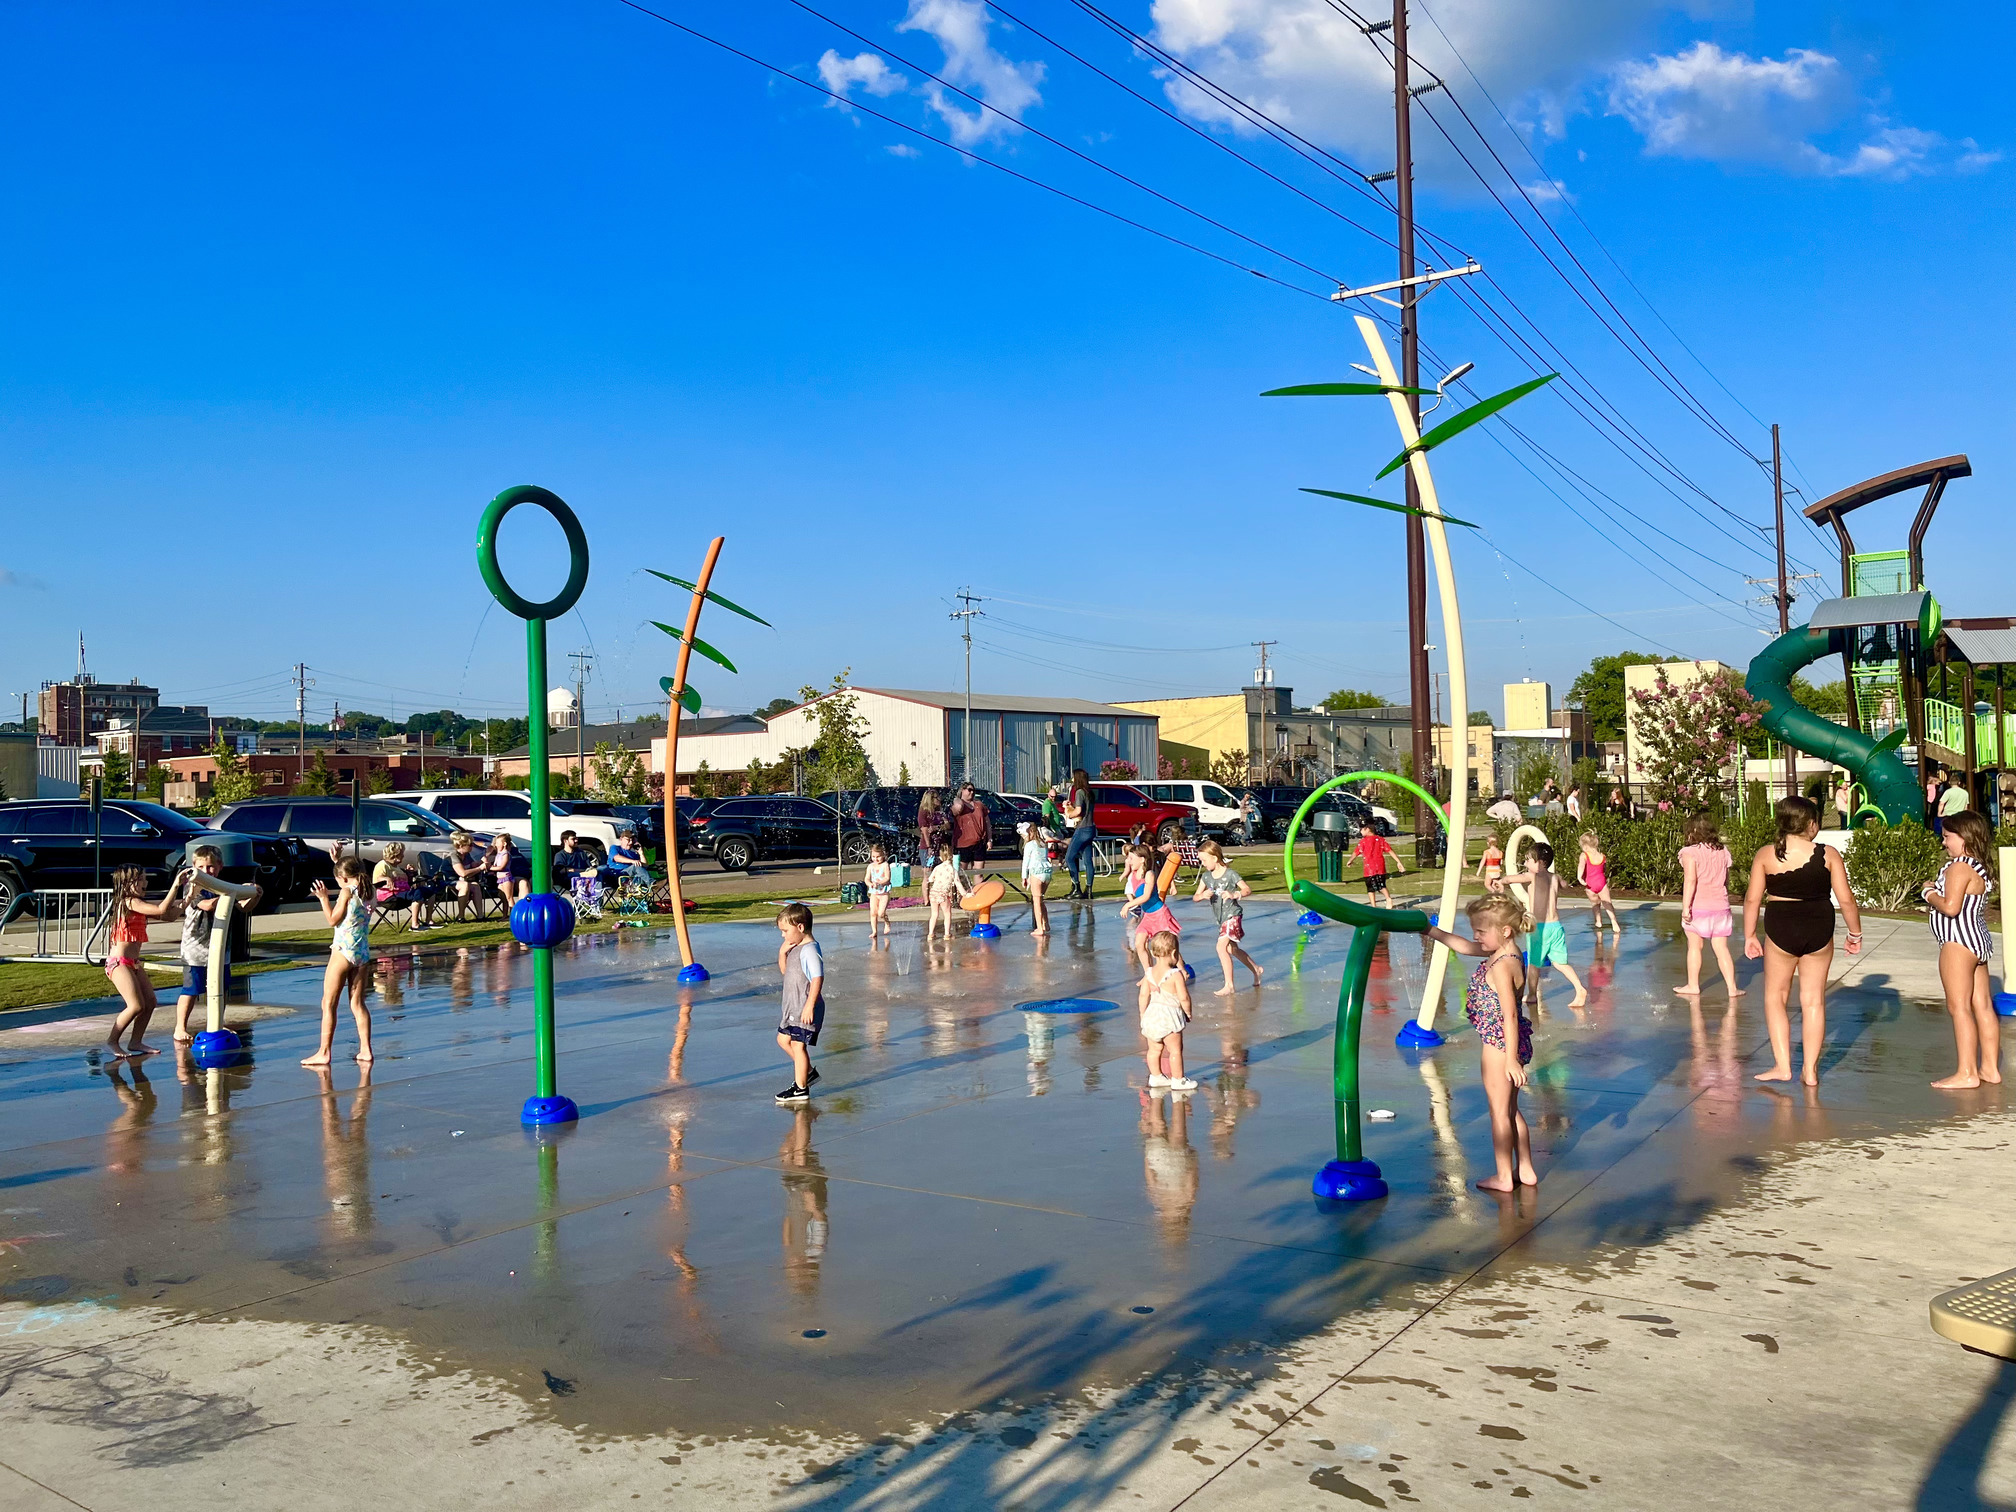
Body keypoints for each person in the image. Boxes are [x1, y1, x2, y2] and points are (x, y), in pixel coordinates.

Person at [1742, 795, 1862, 1085]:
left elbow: (1752, 899)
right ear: (1811, 824)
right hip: (1818, 926)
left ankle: (1783, 1066)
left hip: (1781, 926)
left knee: (1775, 997)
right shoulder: (1829, 854)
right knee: (1813, 1002)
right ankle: (1809, 1071)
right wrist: (1854, 933)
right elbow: (1846, 899)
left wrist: (1749, 936)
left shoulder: (1766, 855)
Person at [1427, 894, 1536, 1191]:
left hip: (1500, 1047)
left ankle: (1503, 1177)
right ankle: (1524, 1168)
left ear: (1505, 930)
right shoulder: (1505, 954)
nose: (1476, 936)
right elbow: (1463, 946)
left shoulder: (1501, 966)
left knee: (1499, 1113)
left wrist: (1510, 1058)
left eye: (1481, 931)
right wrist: (1430, 931)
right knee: (1511, 1110)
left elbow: (1510, 1015)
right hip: (1510, 1043)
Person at [1923, 809, 1999, 1089]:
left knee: (1959, 1008)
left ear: (1964, 837)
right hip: (1978, 941)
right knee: (1983, 1006)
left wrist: (1928, 893)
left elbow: (1951, 907)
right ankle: (1989, 1068)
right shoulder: (1981, 866)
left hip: (1957, 942)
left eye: (1947, 837)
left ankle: (1966, 1072)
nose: (1944, 843)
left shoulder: (1960, 867)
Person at [101, 865, 181, 1058]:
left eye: (145, 878)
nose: (145, 883)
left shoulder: (137, 904)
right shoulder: (128, 902)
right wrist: (176, 884)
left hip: (133, 962)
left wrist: (188, 900)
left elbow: (168, 916)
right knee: (136, 1005)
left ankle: (135, 1041)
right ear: (126, 883)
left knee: (150, 1002)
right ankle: (112, 1041)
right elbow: (161, 908)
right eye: (140, 879)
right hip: (118, 963)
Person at [303, 857, 374, 1067]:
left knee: (328, 1003)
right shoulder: (369, 891)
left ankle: (324, 1052)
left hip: (343, 950)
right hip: (362, 951)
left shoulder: (346, 892)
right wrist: (337, 860)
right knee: (358, 1003)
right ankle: (365, 1050)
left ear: (342, 878)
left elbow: (333, 920)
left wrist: (324, 899)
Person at [171, 845, 239, 1043]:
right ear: (194, 867)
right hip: (196, 947)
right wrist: (230, 894)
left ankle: (217, 1022)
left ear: (220, 866)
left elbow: (244, 906)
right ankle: (180, 1027)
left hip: (220, 946)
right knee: (192, 989)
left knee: (220, 987)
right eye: (202, 867)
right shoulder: (193, 888)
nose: (207, 871)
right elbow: (207, 905)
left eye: (211, 867)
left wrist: (254, 893)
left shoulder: (224, 886)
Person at [1507, 841, 1587, 1009]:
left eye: (1529, 860)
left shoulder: (1533, 876)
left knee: (1534, 964)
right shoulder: (1555, 877)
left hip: (1540, 929)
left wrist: (1501, 880)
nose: (1526, 863)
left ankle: (1532, 994)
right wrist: (1565, 884)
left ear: (1541, 863)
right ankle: (1580, 989)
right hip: (1556, 926)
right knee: (1560, 963)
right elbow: (1565, 885)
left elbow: (1513, 879)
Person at [1676, 816, 1742, 1000]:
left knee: (1695, 947)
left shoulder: (1690, 852)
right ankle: (1732, 988)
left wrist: (1686, 908)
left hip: (1699, 907)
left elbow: (1690, 880)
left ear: (1693, 832)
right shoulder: (1723, 851)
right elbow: (1726, 880)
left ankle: (1693, 985)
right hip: (1721, 907)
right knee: (1722, 949)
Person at [1192, 839, 1261, 995]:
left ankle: (1229, 985)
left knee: (1220, 947)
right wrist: (1202, 895)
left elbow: (1247, 890)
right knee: (1232, 949)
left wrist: (1234, 894)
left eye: (1204, 860)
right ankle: (1256, 969)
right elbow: (1195, 897)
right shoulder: (1206, 877)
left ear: (1215, 858)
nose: (1202, 864)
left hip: (1232, 915)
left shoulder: (1230, 874)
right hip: (1221, 918)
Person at [773, 902, 824, 1104]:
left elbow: (817, 978)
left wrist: (810, 1005)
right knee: (783, 1040)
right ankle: (808, 1073)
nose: (783, 935)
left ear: (800, 927)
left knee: (797, 1044)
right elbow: (786, 973)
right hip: (793, 1007)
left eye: (785, 930)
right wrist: (782, 954)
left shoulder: (810, 950)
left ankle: (801, 1089)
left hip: (804, 1007)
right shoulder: (797, 947)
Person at [1137, 930, 1197, 1092]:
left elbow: (1143, 996)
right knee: (1175, 1050)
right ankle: (1178, 1080)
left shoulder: (1148, 973)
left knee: (1154, 1049)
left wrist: (1143, 1014)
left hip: (1152, 1016)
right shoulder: (1175, 975)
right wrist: (1188, 1012)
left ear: (1152, 953)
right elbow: (1184, 997)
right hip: (1169, 1018)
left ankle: (1155, 1076)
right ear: (1174, 953)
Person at [1120, 843, 1181, 959]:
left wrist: (1128, 905)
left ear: (1142, 860)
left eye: (1131, 858)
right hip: (1148, 915)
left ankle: (1182, 970)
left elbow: (1146, 896)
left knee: (1168, 948)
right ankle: (1149, 973)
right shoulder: (1133, 874)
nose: (1129, 861)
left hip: (1160, 914)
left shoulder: (1149, 874)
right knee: (1139, 944)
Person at [1062, 768, 1098, 900]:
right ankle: (1089, 889)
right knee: (1088, 860)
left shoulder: (1079, 792)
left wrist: (1068, 814)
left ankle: (1076, 887)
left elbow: (1078, 811)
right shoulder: (1089, 792)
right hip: (1091, 827)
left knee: (1069, 857)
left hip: (1082, 828)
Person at [1576, 831, 1621, 933]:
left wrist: (1580, 878)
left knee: (1595, 904)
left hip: (1590, 884)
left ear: (1586, 846)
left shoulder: (1584, 855)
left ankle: (1598, 921)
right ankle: (1614, 922)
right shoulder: (1602, 856)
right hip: (1601, 883)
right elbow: (1602, 870)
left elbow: (1581, 866)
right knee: (1608, 903)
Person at [1353, 825, 1403, 909]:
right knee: (1380, 886)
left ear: (1368, 830)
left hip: (1369, 869)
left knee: (1371, 888)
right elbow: (1390, 850)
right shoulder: (1380, 840)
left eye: (1362, 829)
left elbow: (1356, 852)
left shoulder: (1363, 841)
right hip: (1379, 867)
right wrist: (1398, 861)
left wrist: (1350, 860)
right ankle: (1384, 901)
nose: (1360, 831)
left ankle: (1377, 904)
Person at [445, 829, 492, 920]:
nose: (472, 847)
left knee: (475, 885)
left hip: (460, 881)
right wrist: (480, 868)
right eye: (470, 845)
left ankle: (480, 916)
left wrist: (486, 858)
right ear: (461, 846)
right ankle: (461, 916)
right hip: (449, 880)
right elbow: (462, 873)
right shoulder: (453, 856)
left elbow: (473, 865)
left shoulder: (466, 855)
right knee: (465, 885)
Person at [1017, 821, 1053, 936]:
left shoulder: (1029, 845)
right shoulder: (1043, 843)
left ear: (1030, 833)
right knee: (1041, 899)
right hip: (1047, 872)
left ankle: (1039, 928)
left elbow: (1025, 863)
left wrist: (1024, 877)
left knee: (1036, 901)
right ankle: (1045, 924)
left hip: (1036, 873)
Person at [926, 842, 964, 942]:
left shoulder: (937, 868)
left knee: (934, 914)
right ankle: (947, 934)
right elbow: (957, 883)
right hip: (943, 894)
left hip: (934, 893)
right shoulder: (952, 870)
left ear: (941, 857)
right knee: (947, 914)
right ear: (951, 857)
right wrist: (965, 894)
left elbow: (930, 879)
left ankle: (930, 934)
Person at [950, 782, 989, 870]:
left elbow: (987, 822)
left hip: (979, 843)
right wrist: (958, 799)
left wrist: (989, 839)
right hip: (963, 844)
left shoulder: (979, 804)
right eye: (969, 790)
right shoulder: (958, 804)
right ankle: (962, 884)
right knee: (961, 872)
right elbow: (958, 808)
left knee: (978, 872)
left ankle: (978, 884)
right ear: (962, 790)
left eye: (973, 790)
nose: (972, 792)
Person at [862, 842, 893, 939]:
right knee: (873, 913)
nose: (876, 859)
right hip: (874, 893)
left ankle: (887, 922)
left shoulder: (885, 865)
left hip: (884, 893)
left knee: (881, 913)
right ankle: (874, 931)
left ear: (883, 855)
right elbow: (866, 879)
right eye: (873, 856)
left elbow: (887, 878)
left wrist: (880, 883)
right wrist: (870, 884)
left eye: (878, 857)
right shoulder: (870, 866)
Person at [488, 832, 529, 907]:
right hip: (499, 878)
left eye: (497, 843)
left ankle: (518, 910)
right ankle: (505, 915)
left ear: (504, 844)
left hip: (508, 877)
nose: (495, 845)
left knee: (509, 897)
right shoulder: (496, 855)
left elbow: (501, 867)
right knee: (504, 897)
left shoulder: (507, 854)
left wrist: (489, 867)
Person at [915, 789, 946, 869]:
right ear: (930, 799)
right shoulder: (923, 812)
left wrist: (937, 827)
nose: (939, 799)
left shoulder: (939, 812)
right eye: (937, 797)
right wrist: (929, 847)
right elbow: (925, 831)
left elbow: (947, 825)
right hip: (927, 846)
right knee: (928, 873)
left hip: (939, 846)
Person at [1938, 774, 1970, 838]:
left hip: (1948, 815)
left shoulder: (1948, 792)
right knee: (1958, 832)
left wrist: (1939, 813)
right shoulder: (1965, 793)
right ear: (1959, 782)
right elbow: (1966, 807)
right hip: (1959, 815)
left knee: (1946, 833)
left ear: (1949, 782)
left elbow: (1941, 803)